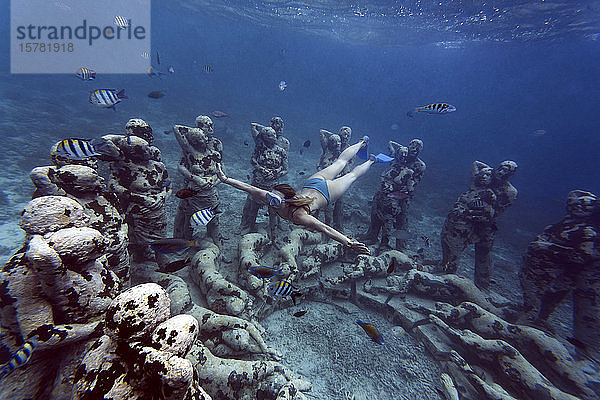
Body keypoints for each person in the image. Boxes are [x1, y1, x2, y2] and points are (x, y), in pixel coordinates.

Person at [217, 138, 377, 255]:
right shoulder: (273, 199)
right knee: (339, 163)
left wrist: (348, 242)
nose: (270, 201)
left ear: (286, 199)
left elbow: (325, 228)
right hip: (313, 183)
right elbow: (249, 188)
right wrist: (225, 179)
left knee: (352, 175)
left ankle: (371, 161)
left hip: (327, 192)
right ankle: (362, 142)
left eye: (274, 199)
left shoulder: (299, 215)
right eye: (271, 197)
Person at [519, 190, 599, 363]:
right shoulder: (561, 225)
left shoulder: (589, 232)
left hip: (562, 279)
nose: (578, 208)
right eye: (576, 204)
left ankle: (584, 359)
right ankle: (528, 332)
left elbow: (583, 257)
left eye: (584, 206)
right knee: (535, 305)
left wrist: (548, 248)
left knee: (548, 307)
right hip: (540, 276)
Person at [440, 161, 499, 290]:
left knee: (454, 254)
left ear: (492, 179)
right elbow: (475, 164)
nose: (484, 176)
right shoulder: (474, 187)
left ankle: (448, 281)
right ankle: (443, 271)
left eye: (488, 175)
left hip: (463, 231)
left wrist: (465, 214)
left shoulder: (489, 195)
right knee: (446, 249)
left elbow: (486, 216)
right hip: (451, 225)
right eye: (482, 174)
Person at [360, 139, 426, 249]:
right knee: (375, 213)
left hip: (399, 197)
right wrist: (403, 149)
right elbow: (390, 143)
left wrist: (404, 179)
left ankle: (388, 245)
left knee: (392, 220)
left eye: (418, 148)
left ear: (420, 150)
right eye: (412, 146)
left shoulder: (419, 165)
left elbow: (412, 186)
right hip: (384, 191)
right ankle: (372, 235)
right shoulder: (400, 154)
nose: (414, 149)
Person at [172, 115, 225, 246]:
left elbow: (221, 169)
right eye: (208, 126)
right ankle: (181, 243)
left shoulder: (216, 145)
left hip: (210, 190)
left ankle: (215, 242)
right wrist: (195, 133)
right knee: (185, 217)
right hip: (192, 190)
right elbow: (181, 165)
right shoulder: (189, 146)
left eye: (212, 125)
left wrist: (213, 181)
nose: (212, 128)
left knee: (213, 219)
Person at [240, 125, 289, 238]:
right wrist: (261, 169)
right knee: (254, 208)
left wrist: (275, 173)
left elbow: (286, 169)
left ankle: (274, 235)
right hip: (258, 183)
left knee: (273, 210)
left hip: (273, 186)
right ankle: (249, 227)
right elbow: (253, 160)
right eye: (271, 135)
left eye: (275, 135)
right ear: (265, 137)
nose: (274, 137)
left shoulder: (281, 151)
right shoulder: (259, 148)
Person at [317, 127, 353, 231]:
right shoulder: (329, 146)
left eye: (348, 135)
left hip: (339, 182)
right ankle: (316, 224)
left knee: (339, 205)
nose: (345, 138)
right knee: (322, 204)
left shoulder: (350, 150)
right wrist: (335, 138)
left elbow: (348, 168)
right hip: (325, 181)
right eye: (343, 135)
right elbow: (322, 132)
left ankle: (337, 227)